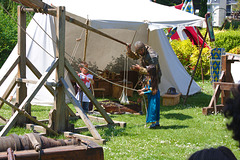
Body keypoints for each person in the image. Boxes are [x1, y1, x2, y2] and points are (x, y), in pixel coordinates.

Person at [138, 64, 160, 129]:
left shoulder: (153, 79)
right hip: (152, 96)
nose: (146, 71)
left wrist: (144, 93)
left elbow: (153, 90)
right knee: (154, 108)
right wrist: (142, 89)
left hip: (155, 96)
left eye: (148, 70)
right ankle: (156, 123)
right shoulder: (149, 78)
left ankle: (154, 124)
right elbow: (147, 86)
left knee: (153, 109)